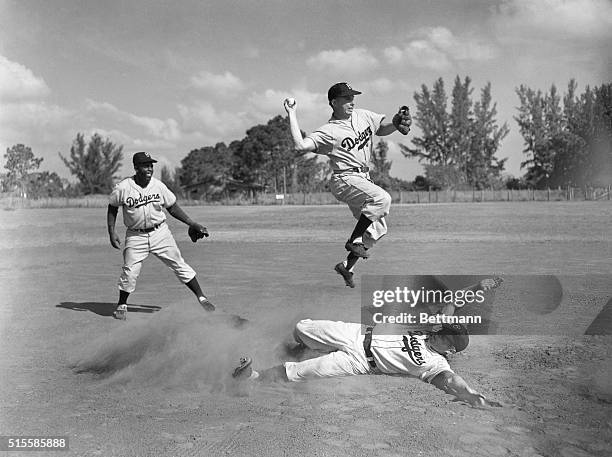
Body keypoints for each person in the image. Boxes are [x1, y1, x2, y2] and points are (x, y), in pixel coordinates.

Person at [231, 278, 503, 408]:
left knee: (299, 373)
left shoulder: (434, 364)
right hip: (358, 334)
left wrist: (470, 394)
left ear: (451, 347)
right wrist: (480, 287)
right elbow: (453, 302)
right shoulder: (431, 331)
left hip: (359, 362)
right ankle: (300, 347)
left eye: (443, 333)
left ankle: (252, 378)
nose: (437, 329)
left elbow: (452, 381)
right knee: (303, 327)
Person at [284, 83, 411, 289]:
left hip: (363, 179)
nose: (351, 102)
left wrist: (395, 124)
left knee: (376, 231)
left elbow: (382, 129)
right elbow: (300, 146)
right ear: (334, 103)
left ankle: (347, 267)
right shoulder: (329, 131)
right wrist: (292, 113)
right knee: (382, 199)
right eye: (346, 99)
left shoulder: (363, 116)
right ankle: (354, 239)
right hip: (344, 179)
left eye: (352, 98)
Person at [106, 151, 214, 320]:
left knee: (179, 264)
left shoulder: (158, 186)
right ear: (136, 168)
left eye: (151, 165)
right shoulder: (123, 187)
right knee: (130, 271)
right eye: (145, 165)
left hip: (160, 233)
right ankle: (122, 304)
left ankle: (202, 297)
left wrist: (192, 223)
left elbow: (172, 207)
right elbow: (112, 207)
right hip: (136, 236)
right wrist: (111, 232)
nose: (149, 168)